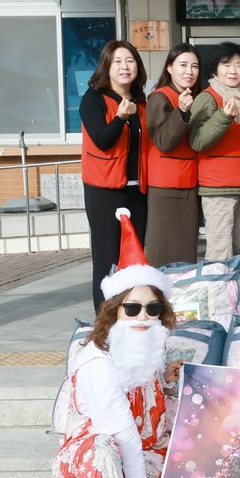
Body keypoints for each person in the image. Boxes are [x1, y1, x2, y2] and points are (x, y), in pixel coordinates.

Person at [54, 208, 180, 478]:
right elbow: (123, 437)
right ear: (114, 310)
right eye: (132, 308)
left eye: (153, 309)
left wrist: (170, 380)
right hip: (96, 454)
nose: (143, 317)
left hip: (143, 448)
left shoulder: (149, 343)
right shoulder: (97, 360)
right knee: (103, 458)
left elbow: (149, 407)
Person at [81, 40, 149, 310]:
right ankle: (104, 319)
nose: (125, 67)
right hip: (104, 191)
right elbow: (102, 141)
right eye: (118, 61)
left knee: (134, 258)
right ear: (107, 67)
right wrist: (119, 118)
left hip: (137, 191)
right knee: (107, 259)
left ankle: (129, 314)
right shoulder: (93, 99)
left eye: (130, 61)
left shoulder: (140, 101)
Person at [189, 42, 240, 261]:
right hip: (218, 187)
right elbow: (197, 140)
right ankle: (217, 284)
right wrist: (224, 116)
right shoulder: (207, 98)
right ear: (215, 69)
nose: (233, 70)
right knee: (220, 251)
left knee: (236, 249)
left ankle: (233, 283)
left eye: (238, 65)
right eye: (226, 65)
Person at [143, 43, 201, 266]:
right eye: (183, 65)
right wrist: (182, 112)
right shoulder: (160, 97)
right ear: (169, 67)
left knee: (185, 252)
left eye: (194, 66)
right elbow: (163, 141)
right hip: (166, 185)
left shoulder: (190, 95)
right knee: (163, 251)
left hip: (187, 181)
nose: (189, 72)